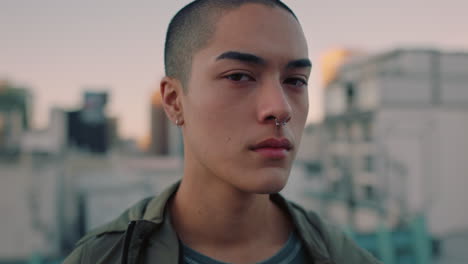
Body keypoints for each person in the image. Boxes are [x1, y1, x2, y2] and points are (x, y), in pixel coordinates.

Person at [63, 0, 382, 263]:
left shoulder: (340, 254)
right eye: (239, 77)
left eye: (296, 80)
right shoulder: (104, 257)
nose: (280, 108)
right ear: (174, 101)